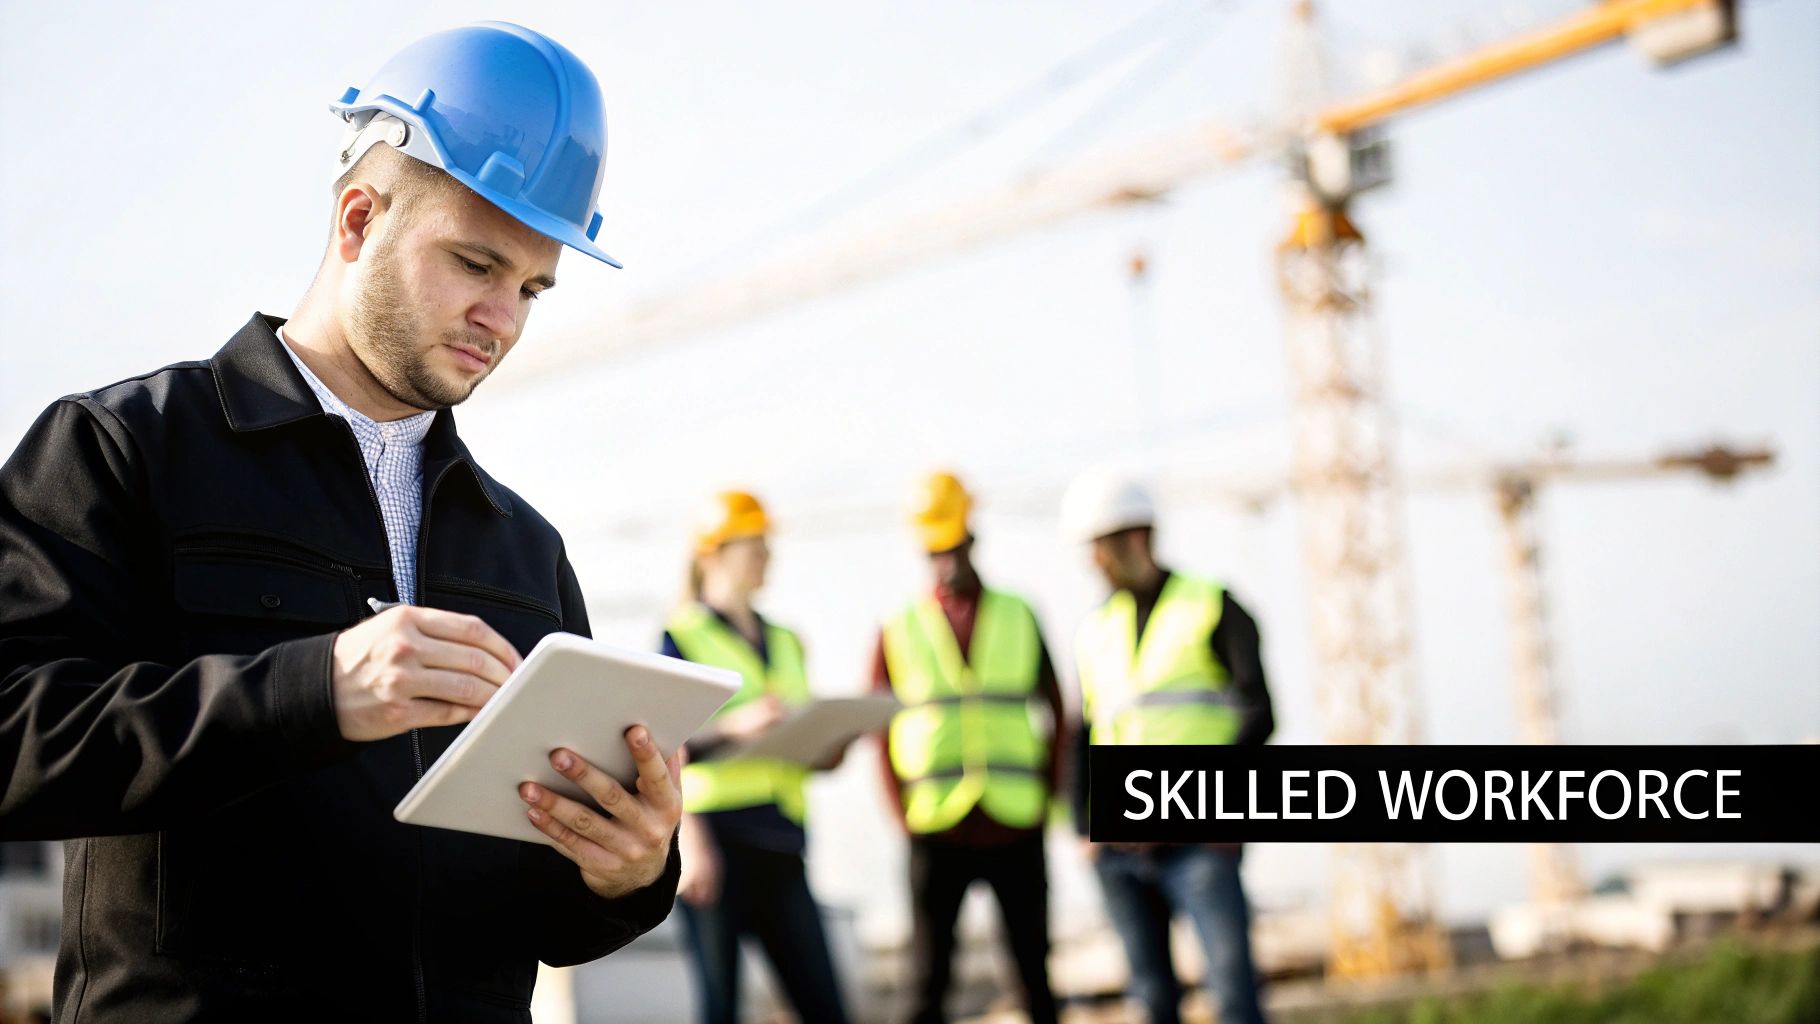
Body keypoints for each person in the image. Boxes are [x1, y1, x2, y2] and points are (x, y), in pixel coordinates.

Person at [0, 23, 682, 1021]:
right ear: (358, 220)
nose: (505, 316)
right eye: (474, 264)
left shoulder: (524, 550)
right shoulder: (123, 450)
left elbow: (538, 919)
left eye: (531, 286)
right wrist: (310, 689)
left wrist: (625, 871)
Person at [1059, 471, 1274, 1024]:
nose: (1093, 564)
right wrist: (1082, 824)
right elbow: (1084, 733)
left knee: (1232, 992)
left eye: (1100, 549)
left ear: (1136, 539)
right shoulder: (1095, 630)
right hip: (1120, 849)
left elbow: (1258, 716)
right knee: (1151, 1000)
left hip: (1200, 836)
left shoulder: (1212, 605)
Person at [873, 472, 1063, 1024]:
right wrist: (899, 813)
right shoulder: (899, 626)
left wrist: (1049, 798)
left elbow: (1057, 711)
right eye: (934, 552)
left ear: (972, 543)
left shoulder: (1019, 614)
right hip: (935, 827)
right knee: (928, 981)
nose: (945, 562)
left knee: (1034, 975)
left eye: (953, 549)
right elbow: (878, 726)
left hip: (1015, 821)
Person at [663, 491, 853, 1024]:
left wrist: (826, 747)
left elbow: (794, 748)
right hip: (718, 846)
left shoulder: (787, 640)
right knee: (720, 1008)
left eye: (767, 546)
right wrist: (691, 843)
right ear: (713, 555)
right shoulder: (681, 636)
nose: (767, 557)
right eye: (755, 546)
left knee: (825, 1004)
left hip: (783, 839)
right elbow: (659, 745)